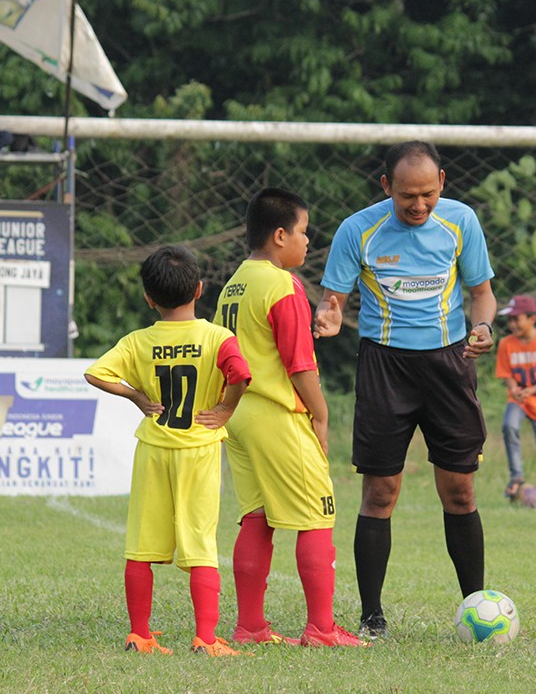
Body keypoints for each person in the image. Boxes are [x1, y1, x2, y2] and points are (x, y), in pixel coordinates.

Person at [313, 141, 496, 640]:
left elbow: (481, 294)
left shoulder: (461, 222)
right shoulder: (359, 229)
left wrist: (482, 329)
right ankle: (371, 617)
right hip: (384, 366)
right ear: (385, 187)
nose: (418, 206)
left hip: (449, 364)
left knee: (459, 489)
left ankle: (475, 611)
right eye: (407, 197)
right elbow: (334, 297)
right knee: (380, 492)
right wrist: (329, 314)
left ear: (442, 180)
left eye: (428, 195)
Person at [217, 187, 367, 647]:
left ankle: (250, 627)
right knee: (317, 516)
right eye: (304, 232)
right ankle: (322, 628)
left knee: (258, 517)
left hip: (239, 416)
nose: (307, 241)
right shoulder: (283, 285)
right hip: (276, 415)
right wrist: (320, 417)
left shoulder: (235, 282)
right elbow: (298, 365)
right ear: (280, 235)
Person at [84, 245, 251, 657]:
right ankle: (206, 639)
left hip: (154, 448)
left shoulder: (138, 341)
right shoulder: (216, 337)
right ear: (199, 289)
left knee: (141, 542)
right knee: (200, 540)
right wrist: (226, 409)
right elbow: (241, 374)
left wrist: (136, 396)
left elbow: (94, 373)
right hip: (199, 449)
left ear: (148, 298)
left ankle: (139, 634)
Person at [495, 294, 536, 507]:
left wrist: (531, 390)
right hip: (519, 400)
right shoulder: (506, 344)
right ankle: (517, 475)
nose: (513, 324)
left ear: (532, 319)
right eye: (511, 320)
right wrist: (514, 388)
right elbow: (506, 374)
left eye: (517, 318)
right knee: (509, 425)